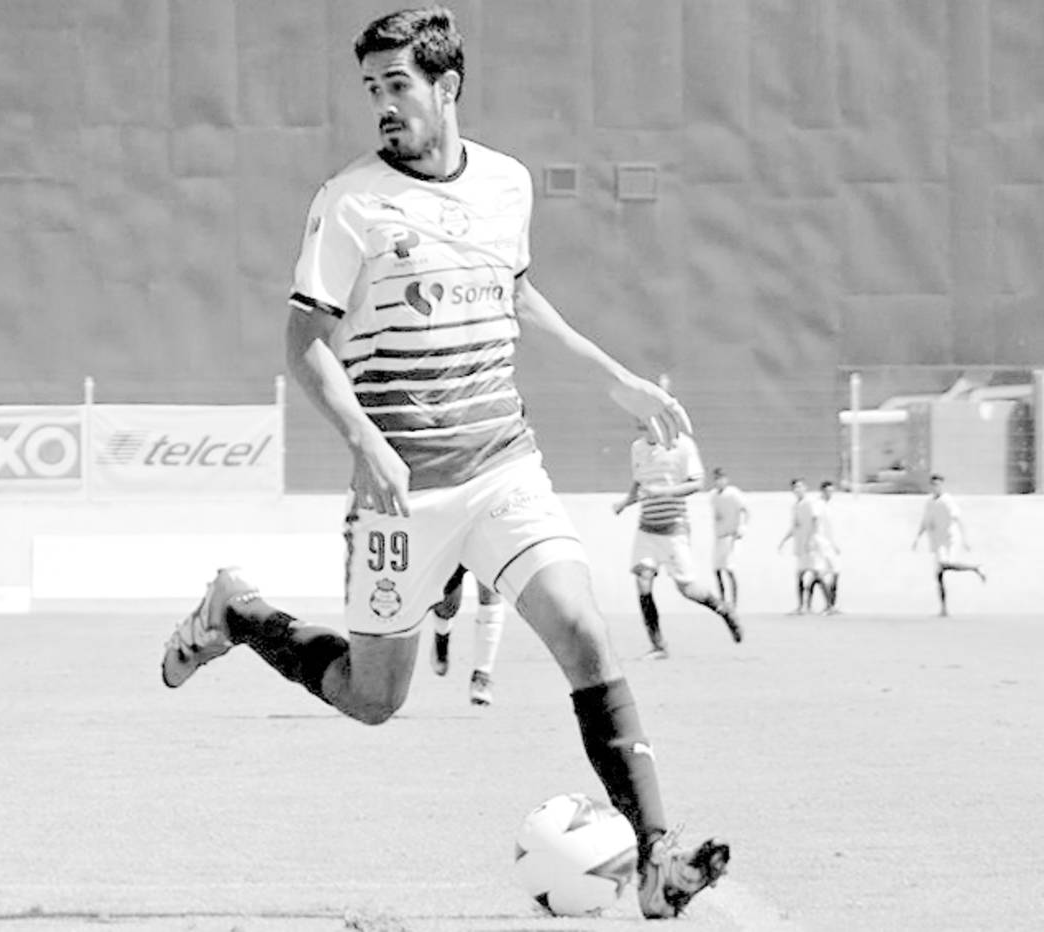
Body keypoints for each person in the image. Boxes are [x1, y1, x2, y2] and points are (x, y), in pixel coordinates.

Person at [159, 8, 728, 918]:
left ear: (447, 86)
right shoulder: (350, 201)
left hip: (504, 465)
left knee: (584, 631)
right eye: (372, 89)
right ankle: (239, 610)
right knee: (372, 696)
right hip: (403, 495)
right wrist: (367, 444)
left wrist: (616, 377)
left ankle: (658, 854)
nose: (383, 105)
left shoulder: (507, 184)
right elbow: (304, 345)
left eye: (398, 85)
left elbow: (516, 293)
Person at [612, 428, 742, 659]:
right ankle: (658, 646)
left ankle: (724, 609)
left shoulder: (682, 445)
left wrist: (663, 492)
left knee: (687, 589)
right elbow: (639, 482)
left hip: (674, 528)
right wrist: (625, 502)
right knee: (643, 580)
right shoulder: (637, 448)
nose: (641, 424)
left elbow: (697, 483)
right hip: (647, 528)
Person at [425, 565, 504, 705]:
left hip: (486, 551)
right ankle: (442, 636)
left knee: (490, 594)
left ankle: (482, 677)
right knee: (447, 607)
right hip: (454, 552)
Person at [912, 473, 986, 616]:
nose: (936, 487)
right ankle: (944, 609)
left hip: (950, 539)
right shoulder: (929, 503)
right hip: (938, 541)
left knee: (945, 565)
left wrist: (965, 539)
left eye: (938, 484)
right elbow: (925, 522)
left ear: (941, 486)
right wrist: (917, 538)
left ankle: (976, 568)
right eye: (933, 485)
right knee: (939, 573)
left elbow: (958, 519)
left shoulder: (947, 501)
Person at [777, 478, 826, 614]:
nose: (798, 490)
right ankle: (801, 606)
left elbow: (815, 520)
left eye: (800, 487)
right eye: (795, 488)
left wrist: (811, 540)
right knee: (800, 574)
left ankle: (828, 604)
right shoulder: (795, 506)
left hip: (811, 545)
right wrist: (784, 541)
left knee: (817, 573)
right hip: (800, 546)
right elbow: (795, 526)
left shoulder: (810, 503)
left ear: (805, 488)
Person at [708, 467, 748, 608]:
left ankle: (734, 602)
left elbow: (744, 510)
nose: (719, 481)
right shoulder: (713, 495)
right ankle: (722, 600)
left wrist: (742, 527)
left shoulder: (733, 493)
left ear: (726, 479)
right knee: (717, 569)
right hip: (719, 537)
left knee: (729, 569)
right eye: (716, 479)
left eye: (721, 478)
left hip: (731, 537)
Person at [813, 480, 842, 614]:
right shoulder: (818, 505)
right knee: (820, 573)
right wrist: (813, 540)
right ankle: (828, 604)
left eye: (832, 491)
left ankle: (832, 604)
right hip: (820, 543)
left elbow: (830, 528)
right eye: (828, 491)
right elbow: (815, 522)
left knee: (836, 571)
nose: (830, 494)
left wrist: (834, 544)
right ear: (823, 491)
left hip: (829, 544)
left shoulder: (829, 506)